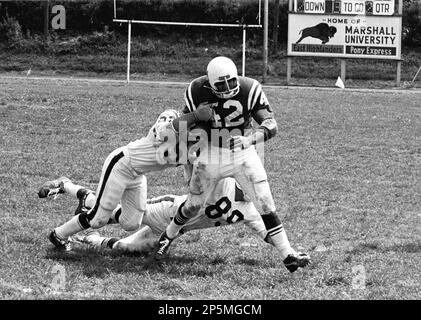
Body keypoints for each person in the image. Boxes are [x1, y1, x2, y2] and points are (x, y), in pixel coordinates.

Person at [154, 56, 311, 269]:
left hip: (242, 151)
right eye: (221, 84)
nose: (228, 88)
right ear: (210, 83)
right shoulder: (197, 90)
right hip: (211, 152)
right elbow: (183, 126)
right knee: (193, 205)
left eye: (231, 82)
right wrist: (195, 123)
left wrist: (250, 139)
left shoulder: (249, 87)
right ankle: (167, 236)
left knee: (265, 202)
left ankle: (288, 255)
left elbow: (271, 124)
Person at [39, 177, 311, 273]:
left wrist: (291, 253)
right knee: (107, 211)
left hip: (176, 230)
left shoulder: (251, 210)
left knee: (125, 248)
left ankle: (87, 240)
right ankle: (67, 186)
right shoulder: (223, 181)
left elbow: (268, 234)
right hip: (165, 213)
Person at [40, 108, 212, 251]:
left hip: (138, 175)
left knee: (131, 223)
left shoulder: (195, 148)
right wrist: (195, 116)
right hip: (122, 164)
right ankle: (58, 234)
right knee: (97, 219)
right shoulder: (173, 116)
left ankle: (86, 197)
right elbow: (164, 131)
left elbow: (191, 180)